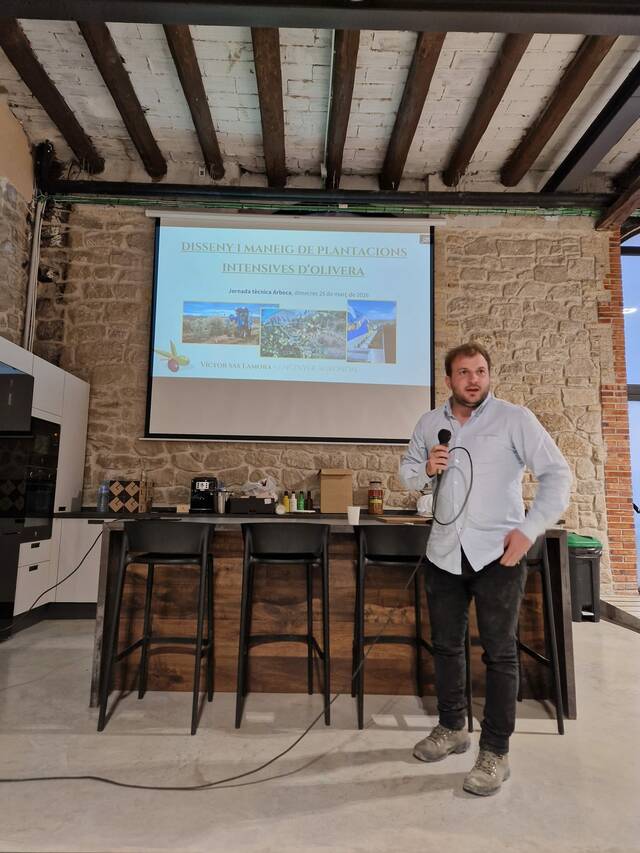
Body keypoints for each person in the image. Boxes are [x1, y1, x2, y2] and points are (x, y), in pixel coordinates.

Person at [400, 342, 571, 796]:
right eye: (463, 372)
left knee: (499, 654)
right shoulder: (429, 424)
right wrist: (426, 470)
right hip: (443, 552)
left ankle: (496, 751)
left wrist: (529, 530)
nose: (473, 379)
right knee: (445, 647)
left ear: (489, 375)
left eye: (480, 371)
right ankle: (452, 727)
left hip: (498, 555)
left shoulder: (515, 419)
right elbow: (407, 471)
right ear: (449, 379)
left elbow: (557, 476)